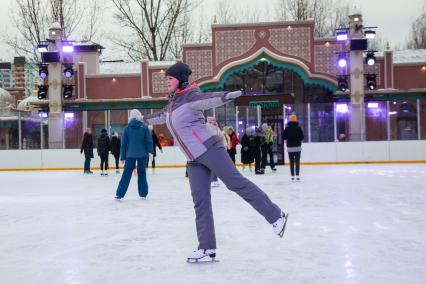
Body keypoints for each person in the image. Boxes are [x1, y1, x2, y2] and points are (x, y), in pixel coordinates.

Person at [142, 62, 288, 262]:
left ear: (180, 79)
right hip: (193, 158)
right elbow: (160, 116)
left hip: (209, 148)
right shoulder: (173, 103)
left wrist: (226, 96)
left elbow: (207, 100)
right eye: (166, 78)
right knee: (200, 202)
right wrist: (141, 119)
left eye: (170, 78)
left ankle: (276, 215)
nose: (167, 81)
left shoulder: (190, 96)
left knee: (236, 183)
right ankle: (206, 247)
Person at [115, 109, 153, 200]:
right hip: (142, 155)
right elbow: (149, 141)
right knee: (142, 173)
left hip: (130, 155)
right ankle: (143, 194)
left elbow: (123, 144)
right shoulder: (144, 127)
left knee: (126, 174)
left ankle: (119, 194)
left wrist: (122, 157)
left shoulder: (127, 128)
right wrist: (150, 152)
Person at [206, 116, 227, 187]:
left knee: (216, 166)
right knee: (212, 166)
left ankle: (215, 180)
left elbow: (222, 137)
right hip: (211, 149)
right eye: (213, 120)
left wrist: (224, 145)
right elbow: (211, 138)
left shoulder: (217, 128)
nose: (214, 122)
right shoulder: (207, 127)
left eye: (215, 120)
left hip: (218, 149)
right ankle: (211, 181)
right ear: (210, 121)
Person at [283, 114, 304, 181]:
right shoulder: (298, 128)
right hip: (297, 147)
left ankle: (292, 176)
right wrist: (297, 139)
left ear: (290, 120)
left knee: (291, 162)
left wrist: (289, 138)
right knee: (297, 162)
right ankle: (297, 175)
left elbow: (284, 137)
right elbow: (302, 137)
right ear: (295, 120)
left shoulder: (287, 128)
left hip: (290, 147)